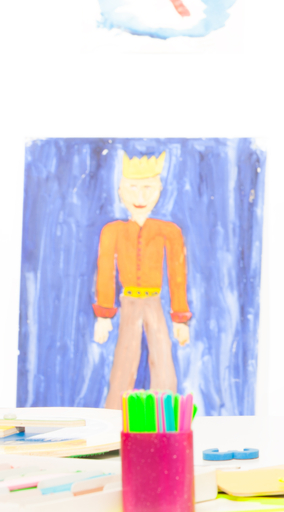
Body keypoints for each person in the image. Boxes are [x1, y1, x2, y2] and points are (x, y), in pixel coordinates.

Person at [93, 151, 192, 409]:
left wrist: (180, 319)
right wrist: (104, 316)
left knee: (163, 363)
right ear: (120, 190)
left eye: (148, 189)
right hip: (128, 304)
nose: (140, 197)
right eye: (132, 188)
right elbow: (106, 271)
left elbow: (177, 274)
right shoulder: (112, 231)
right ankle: (114, 421)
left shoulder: (168, 231)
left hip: (154, 303)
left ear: (158, 190)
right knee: (123, 364)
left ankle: (167, 419)